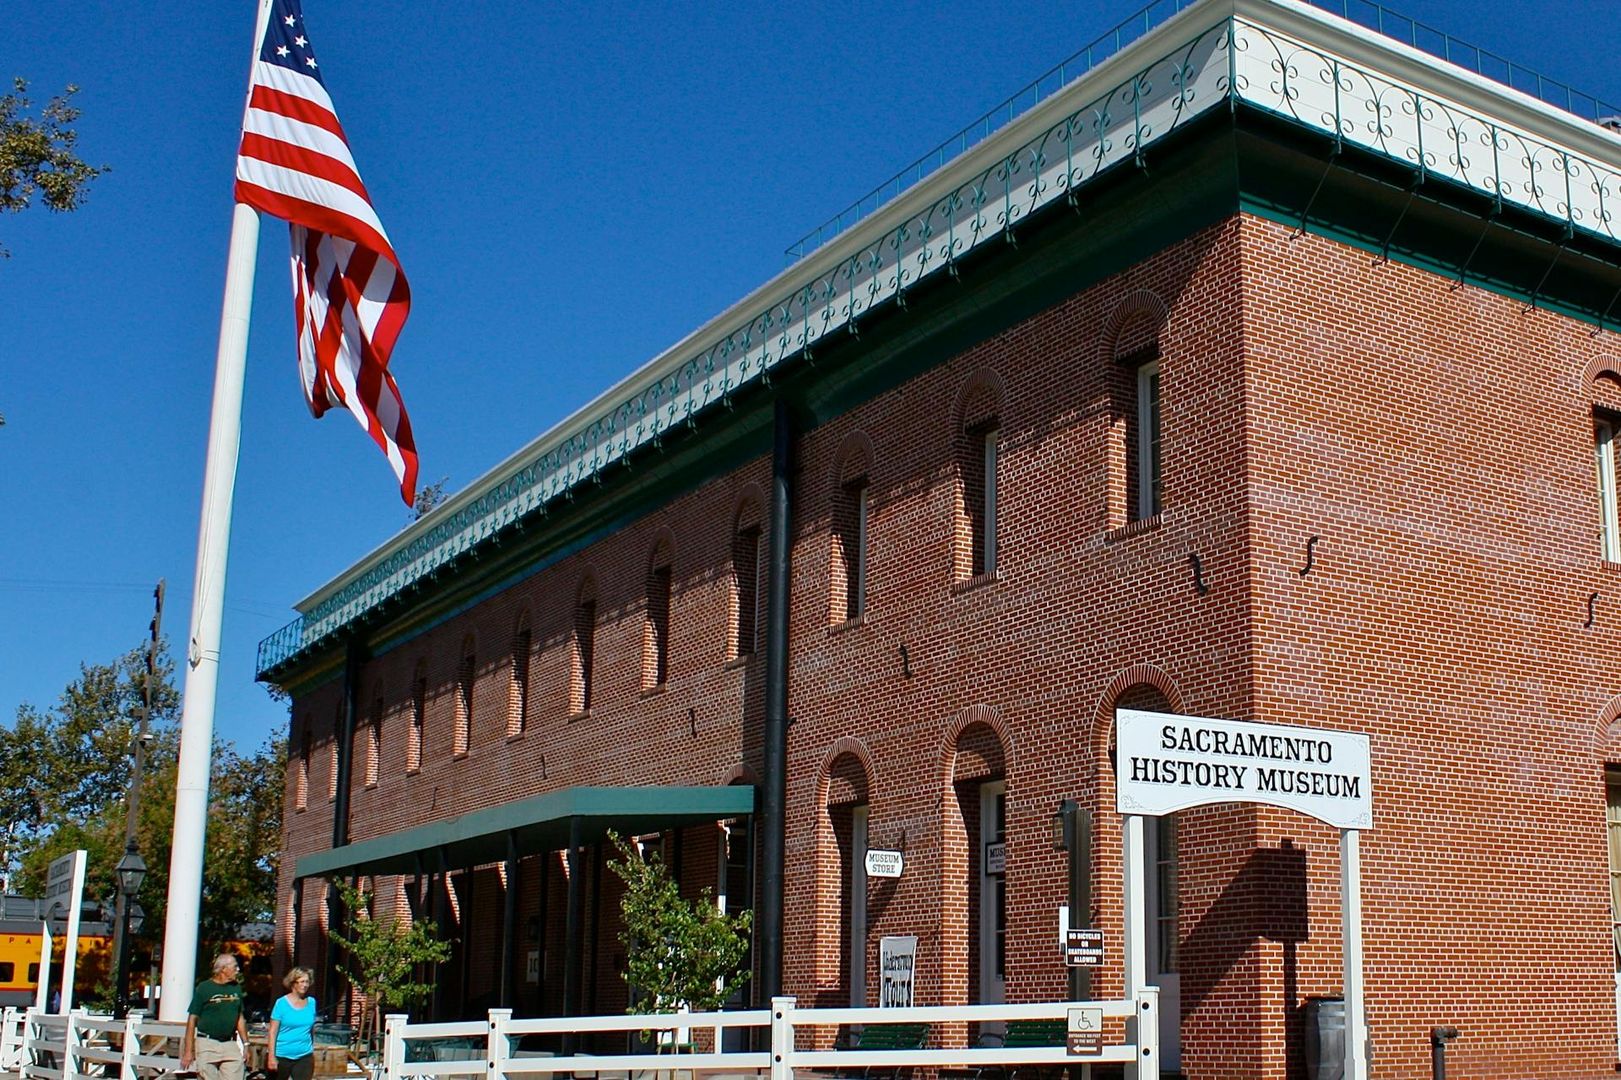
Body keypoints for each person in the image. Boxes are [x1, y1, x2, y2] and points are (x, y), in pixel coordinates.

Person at [181, 954, 251, 1080]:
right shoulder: (204, 988)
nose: (238, 970)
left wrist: (246, 1044)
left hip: (229, 1043)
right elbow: (192, 1019)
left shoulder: (236, 988)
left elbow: (239, 1017)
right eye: (234, 967)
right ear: (224, 969)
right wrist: (188, 1051)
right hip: (207, 1043)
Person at [265, 968, 317, 1080]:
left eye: (307, 982)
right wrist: (271, 1057)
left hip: (304, 1056)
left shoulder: (312, 1002)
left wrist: (312, 1049)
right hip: (282, 1055)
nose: (305, 985)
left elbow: (311, 1029)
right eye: (302, 981)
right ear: (293, 983)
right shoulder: (281, 1003)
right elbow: (272, 1032)